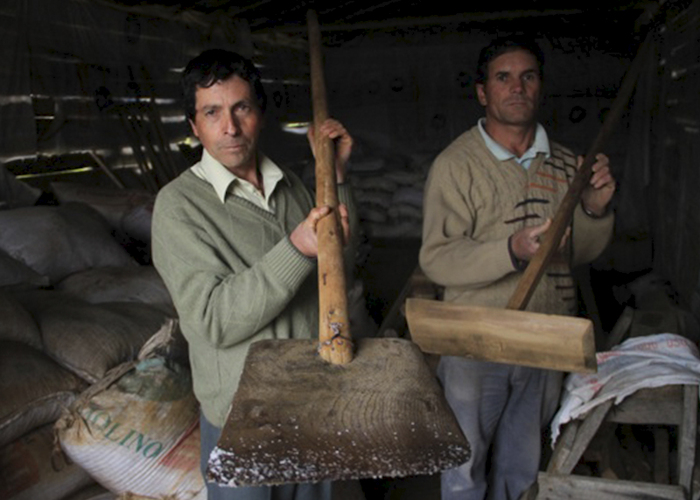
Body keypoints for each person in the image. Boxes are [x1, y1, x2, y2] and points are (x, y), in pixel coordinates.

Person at [151, 48, 357, 500]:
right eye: (212, 112)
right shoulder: (179, 207)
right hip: (242, 421)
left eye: (241, 107)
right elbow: (212, 320)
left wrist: (336, 175)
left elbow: (342, 266)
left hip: (310, 402)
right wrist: (296, 249)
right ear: (193, 126)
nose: (230, 126)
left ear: (259, 113)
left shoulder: (290, 185)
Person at [419, 36, 616, 500]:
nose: (517, 88)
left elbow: (581, 253)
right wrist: (510, 249)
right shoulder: (456, 165)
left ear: (540, 87)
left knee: (522, 467)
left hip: (545, 340)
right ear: (483, 93)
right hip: (474, 344)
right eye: (503, 78)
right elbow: (437, 257)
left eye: (528, 77)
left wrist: (593, 211)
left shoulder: (569, 164)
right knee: (463, 468)